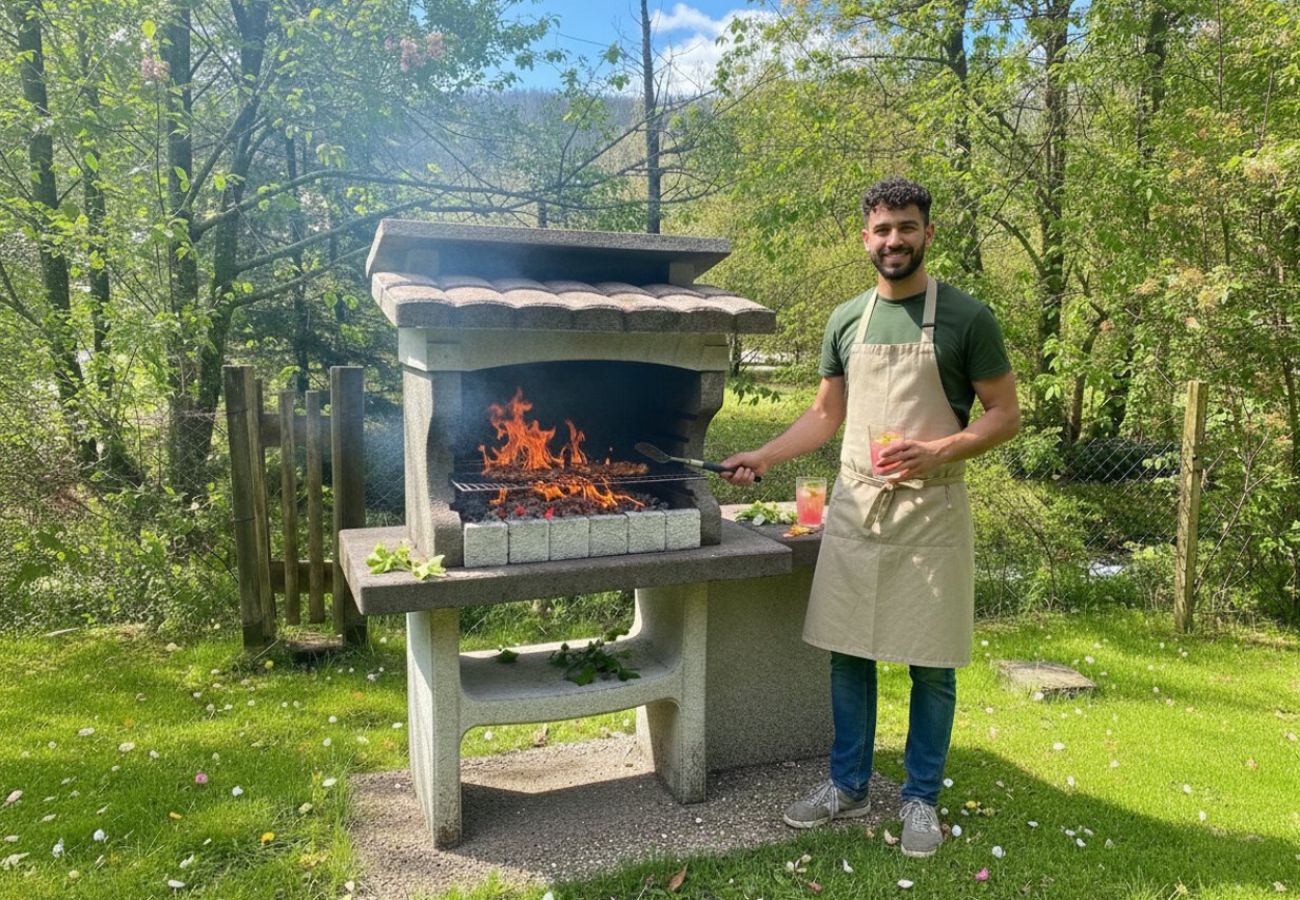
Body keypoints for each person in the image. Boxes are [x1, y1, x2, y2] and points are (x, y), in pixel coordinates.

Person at [721, 176, 1019, 858]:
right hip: (857, 509)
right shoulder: (846, 320)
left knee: (931, 663)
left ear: (927, 233)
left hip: (931, 509)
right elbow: (825, 414)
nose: (894, 240)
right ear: (865, 238)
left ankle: (921, 799)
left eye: (907, 227)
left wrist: (937, 449)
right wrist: (763, 455)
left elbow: (1005, 415)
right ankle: (847, 784)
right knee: (848, 651)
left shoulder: (968, 318)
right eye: (882, 229)